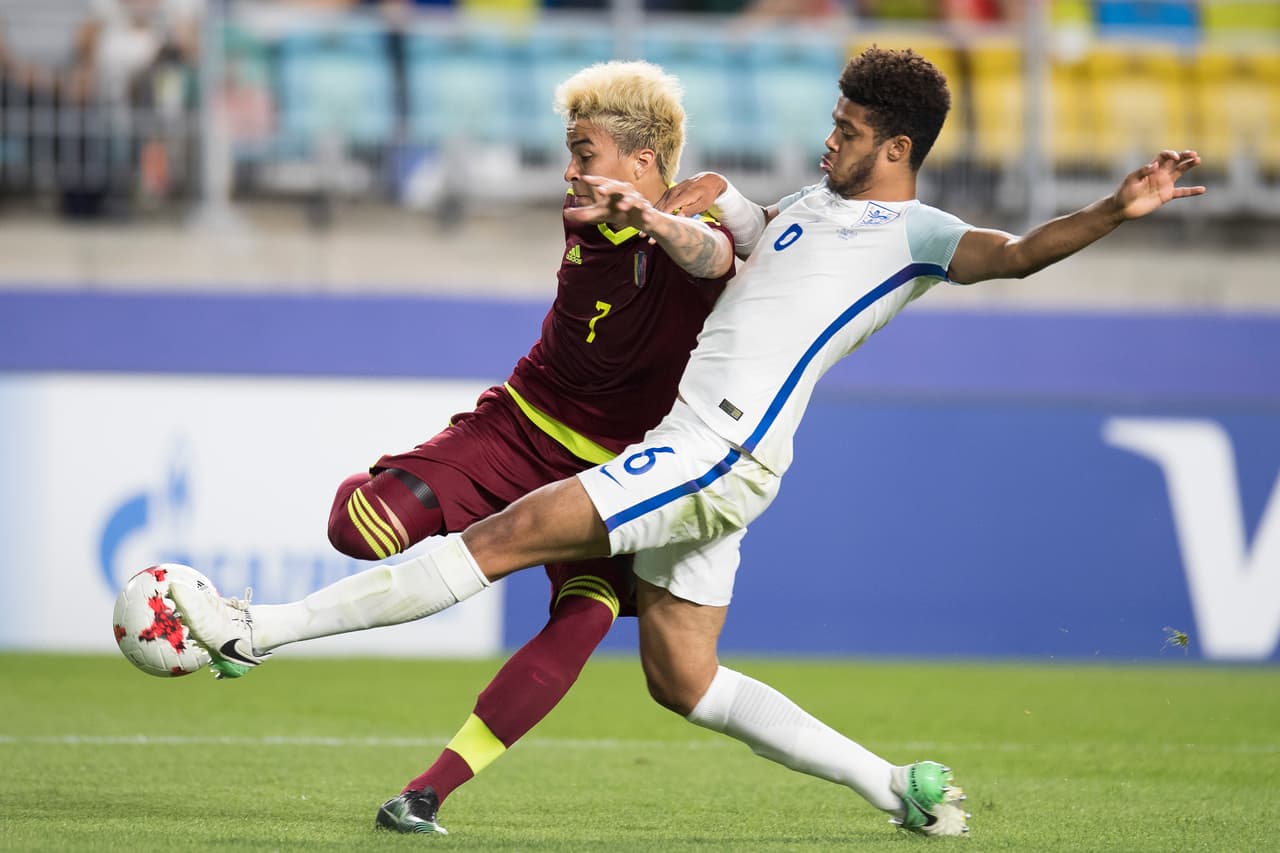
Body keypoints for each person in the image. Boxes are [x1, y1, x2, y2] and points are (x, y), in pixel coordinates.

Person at [175, 46, 1205, 838]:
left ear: (895, 148)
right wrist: (665, 206)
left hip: (718, 448)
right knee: (684, 679)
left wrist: (1116, 208)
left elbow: (1018, 255)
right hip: (706, 451)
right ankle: (895, 786)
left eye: (845, 130)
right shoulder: (806, 207)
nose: (826, 139)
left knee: (509, 533)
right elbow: (717, 243)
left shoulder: (914, 235)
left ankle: (250, 631)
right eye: (830, 121)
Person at [193, 59, 735, 835]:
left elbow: (710, 255)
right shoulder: (586, 216)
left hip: (620, 471)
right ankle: (381, 491)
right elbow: (671, 239)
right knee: (360, 528)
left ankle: (428, 790)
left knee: (584, 616)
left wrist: (693, 208)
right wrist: (674, 206)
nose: (569, 171)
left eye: (584, 153)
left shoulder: (702, 240)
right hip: (521, 424)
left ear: (641, 162)